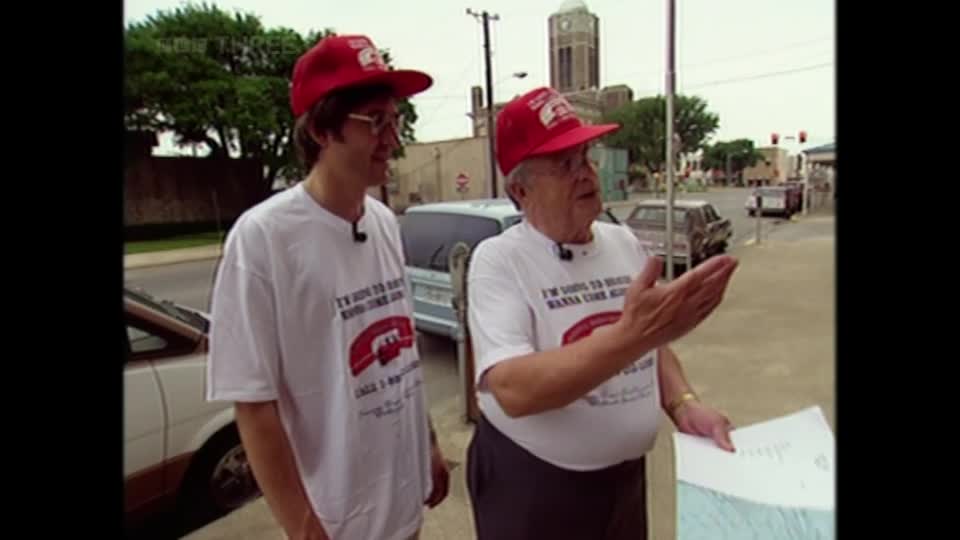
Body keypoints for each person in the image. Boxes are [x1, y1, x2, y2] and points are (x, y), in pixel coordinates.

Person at [465, 86, 740, 540]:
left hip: (624, 482)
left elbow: (653, 343)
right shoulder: (499, 260)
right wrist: (635, 336)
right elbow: (513, 389)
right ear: (520, 190)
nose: (585, 173)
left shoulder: (621, 241)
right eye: (564, 164)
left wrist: (683, 403)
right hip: (537, 487)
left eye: (585, 157)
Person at [205, 34, 449, 540]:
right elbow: (253, 403)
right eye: (374, 121)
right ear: (320, 129)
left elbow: (401, 352)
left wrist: (427, 444)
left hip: (404, 509)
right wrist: (303, 527)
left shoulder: (383, 222)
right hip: (339, 522)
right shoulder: (263, 238)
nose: (392, 138)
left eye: (395, 120)